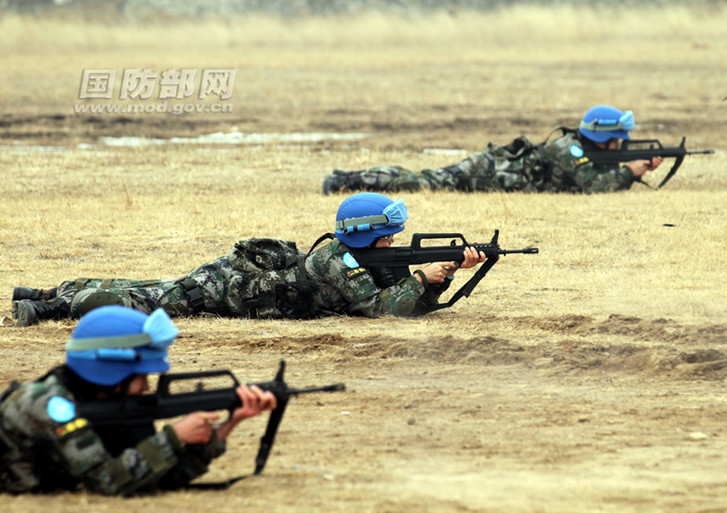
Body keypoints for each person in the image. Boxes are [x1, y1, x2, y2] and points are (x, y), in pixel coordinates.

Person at [10, 193, 485, 326]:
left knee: (149, 285)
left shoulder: (355, 255)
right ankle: (50, 307)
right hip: (229, 290)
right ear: (369, 237)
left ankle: (49, 292)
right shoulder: (341, 262)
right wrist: (422, 277)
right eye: (388, 238)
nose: (392, 245)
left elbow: (400, 299)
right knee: (151, 299)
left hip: (246, 286)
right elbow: (381, 309)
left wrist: (440, 278)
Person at [0, 306, 277, 495]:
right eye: (139, 376)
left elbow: (153, 478)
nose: (146, 386)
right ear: (112, 371)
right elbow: (108, 480)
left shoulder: (108, 405)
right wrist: (173, 437)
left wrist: (228, 425)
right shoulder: (51, 406)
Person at [322, 104, 664, 195]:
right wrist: (630, 172)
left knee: (420, 178)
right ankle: (346, 181)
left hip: (492, 174)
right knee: (419, 182)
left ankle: (349, 178)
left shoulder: (581, 146)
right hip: (484, 174)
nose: (621, 143)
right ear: (602, 136)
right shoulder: (569, 148)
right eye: (617, 137)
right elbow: (593, 185)